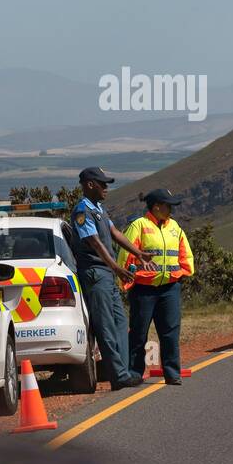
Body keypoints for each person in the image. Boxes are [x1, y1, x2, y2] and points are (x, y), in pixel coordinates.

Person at [71, 166, 154, 389]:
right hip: (97, 273)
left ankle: (124, 371)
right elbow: (95, 242)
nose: (107, 188)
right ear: (90, 185)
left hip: (107, 274)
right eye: (102, 184)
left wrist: (139, 253)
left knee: (120, 322)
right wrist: (116, 267)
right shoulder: (82, 211)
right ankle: (118, 376)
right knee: (105, 325)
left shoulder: (98, 208)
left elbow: (115, 233)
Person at [118, 189, 194, 385]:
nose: (171, 210)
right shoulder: (139, 226)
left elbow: (186, 255)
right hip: (143, 289)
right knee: (138, 332)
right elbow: (125, 257)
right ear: (156, 206)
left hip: (170, 288)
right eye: (168, 206)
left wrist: (181, 275)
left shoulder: (175, 228)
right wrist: (127, 281)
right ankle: (134, 373)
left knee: (170, 331)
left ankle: (172, 373)